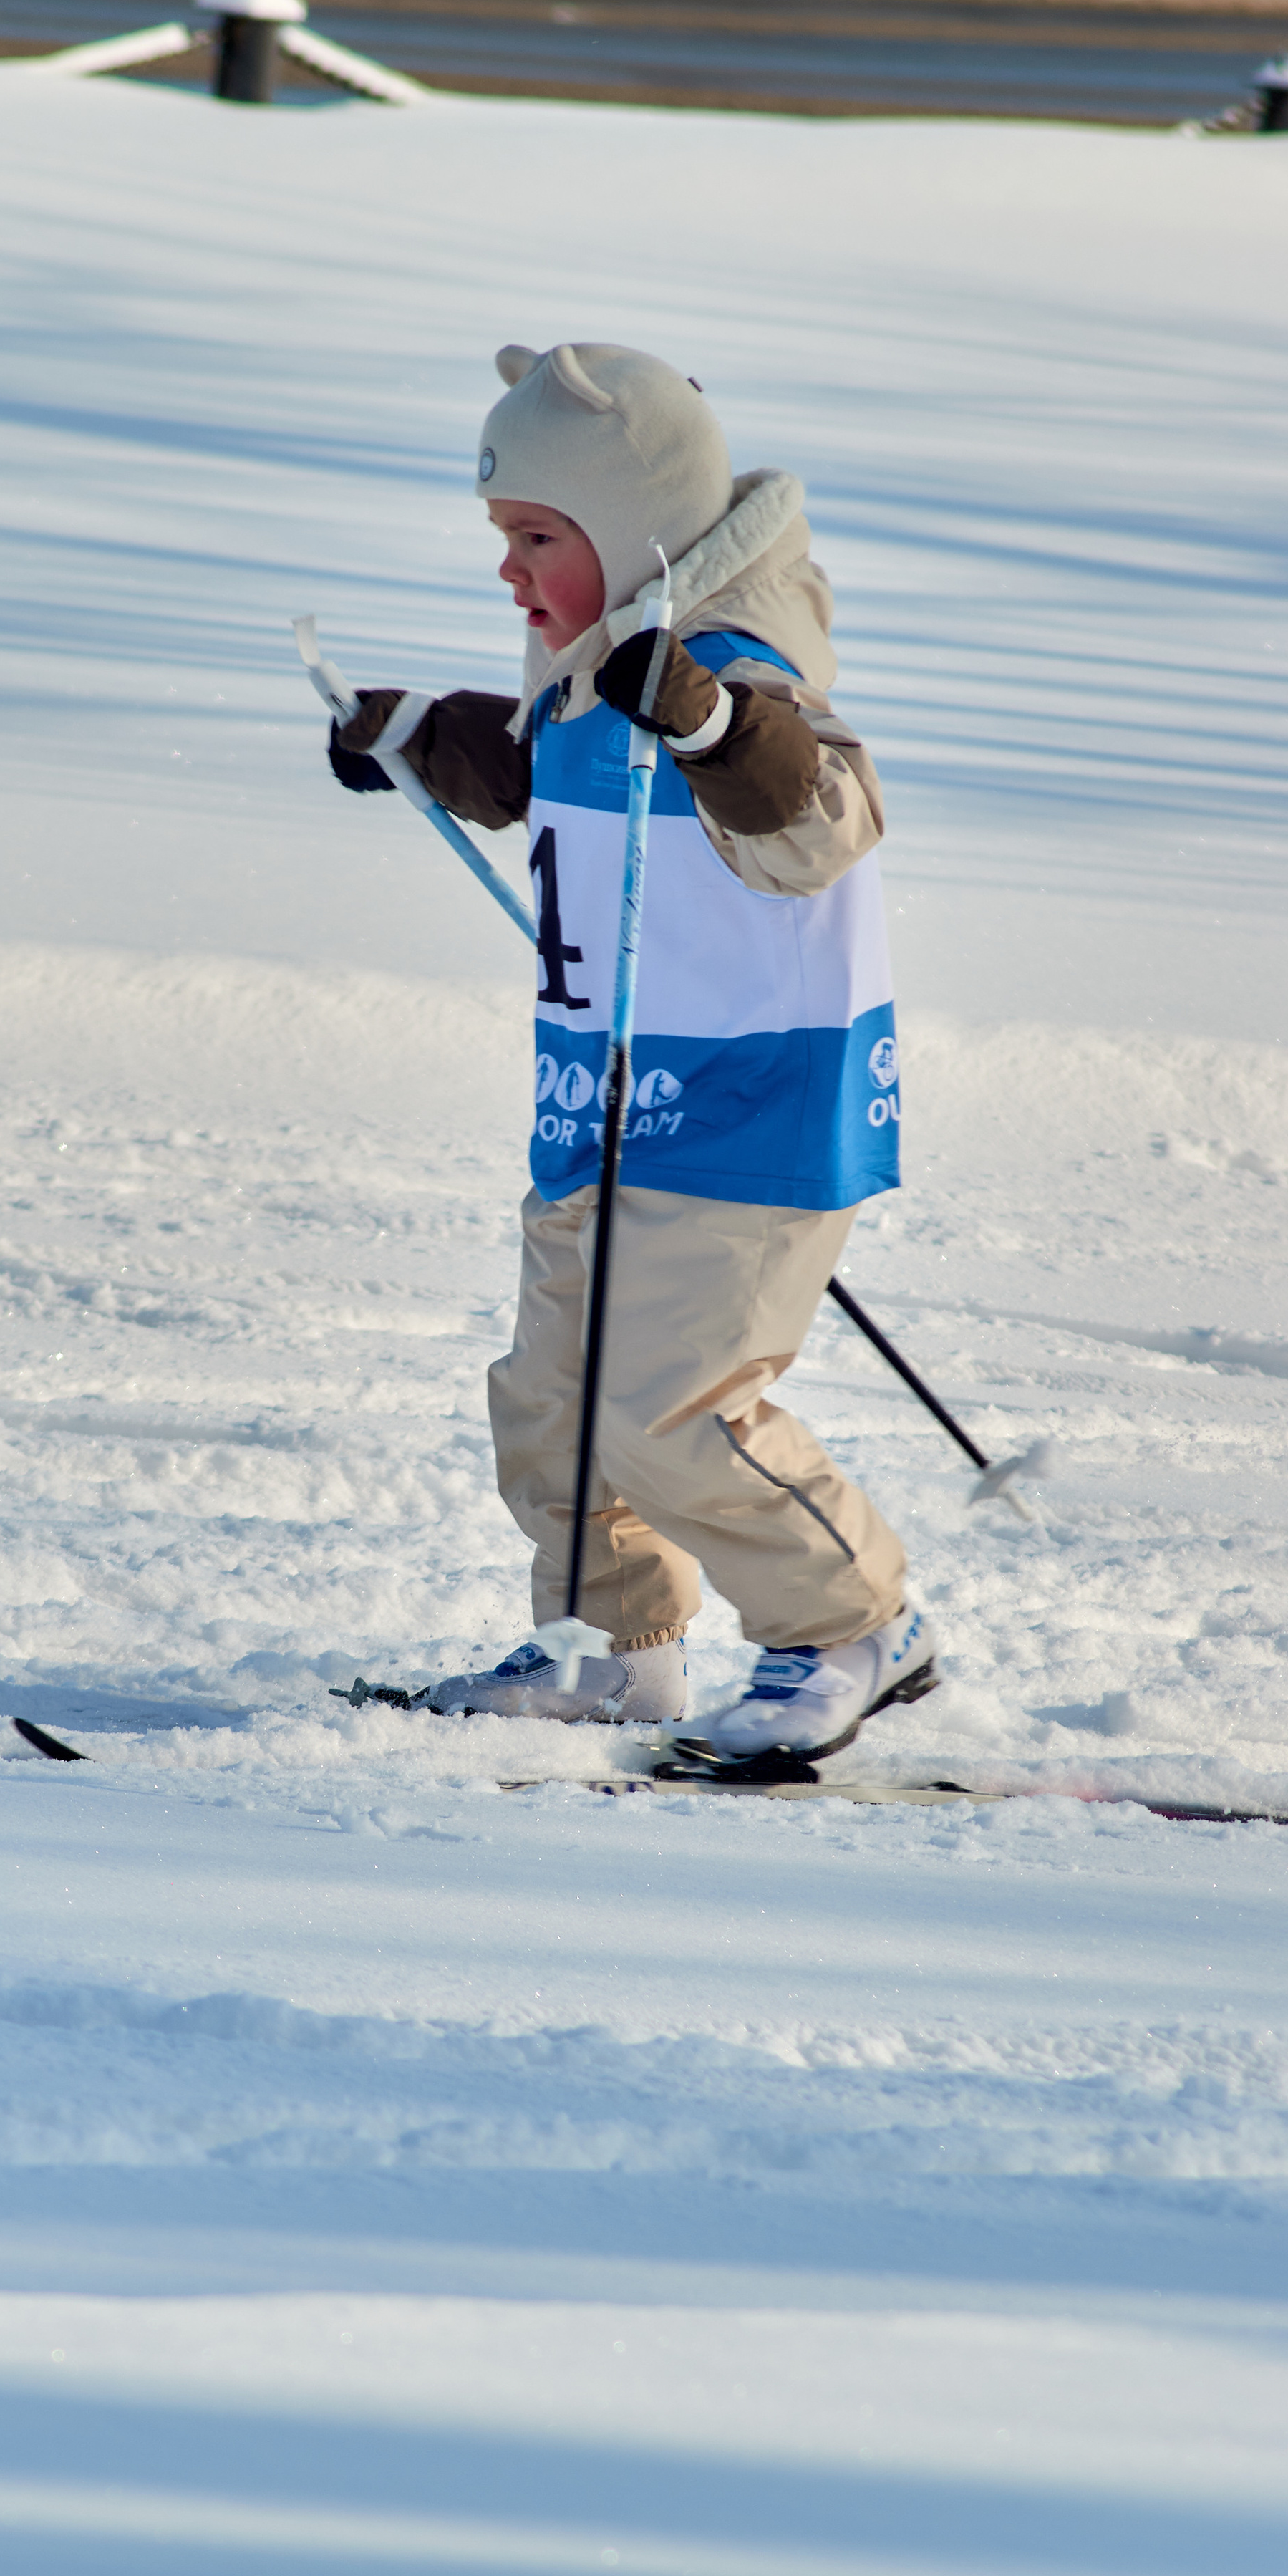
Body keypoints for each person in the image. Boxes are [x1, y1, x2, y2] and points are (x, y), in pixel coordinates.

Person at [327, 341, 936, 1762]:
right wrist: (413, 738)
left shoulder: (727, 671)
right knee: (557, 1408)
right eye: (501, 538)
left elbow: (817, 820)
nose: (509, 571)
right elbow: (544, 779)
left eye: (535, 536)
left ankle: (852, 1624)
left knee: (668, 1413)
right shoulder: (583, 678)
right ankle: (613, 1654)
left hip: (750, 1113)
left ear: (631, 529)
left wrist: (715, 722)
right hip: (599, 1110)